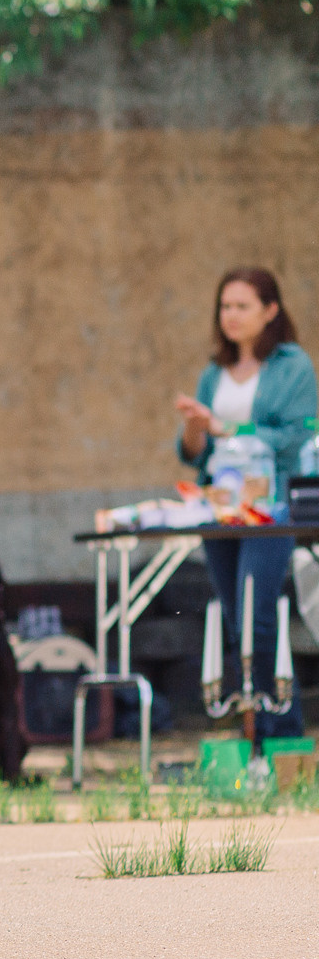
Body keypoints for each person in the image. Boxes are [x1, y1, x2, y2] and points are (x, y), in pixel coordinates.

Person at [175, 266, 316, 740]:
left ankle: (279, 732)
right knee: (237, 618)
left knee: (259, 614)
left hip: (270, 506)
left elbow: (298, 434)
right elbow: (194, 453)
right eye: (225, 306)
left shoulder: (293, 366)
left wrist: (229, 428)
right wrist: (195, 428)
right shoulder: (213, 373)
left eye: (242, 306)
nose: (231, 315)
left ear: (270, 310)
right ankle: (260, 729)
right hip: (220, 507)